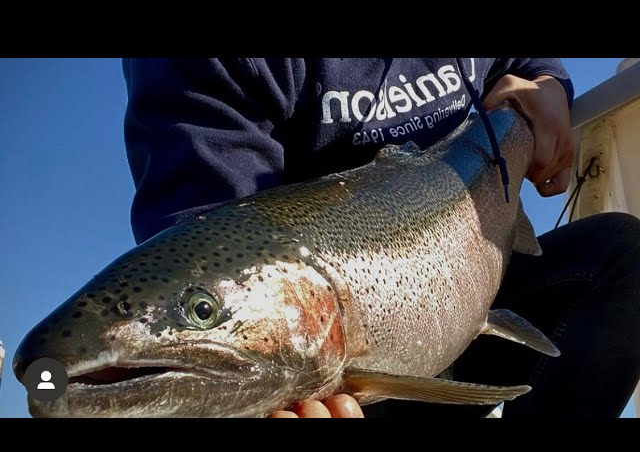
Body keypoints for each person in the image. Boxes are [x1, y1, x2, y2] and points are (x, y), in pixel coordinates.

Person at [122, 59, 640, 418]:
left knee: (624, 253)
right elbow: (211, 248)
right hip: (343, 365)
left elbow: (530, 64)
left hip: (475, 287)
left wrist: (544, 83)